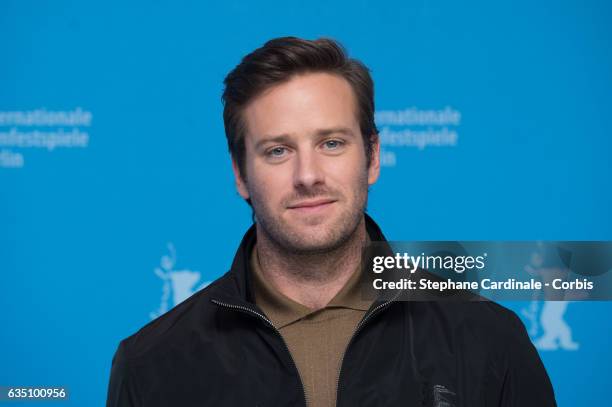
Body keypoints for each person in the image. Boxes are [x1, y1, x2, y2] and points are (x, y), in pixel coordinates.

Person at [106, 36, 556, 407]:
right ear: (241, 174)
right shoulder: (153, 363)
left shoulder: (488, 339)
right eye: (277, 151)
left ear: (373, 157)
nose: (308, 176)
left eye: (332, 144)